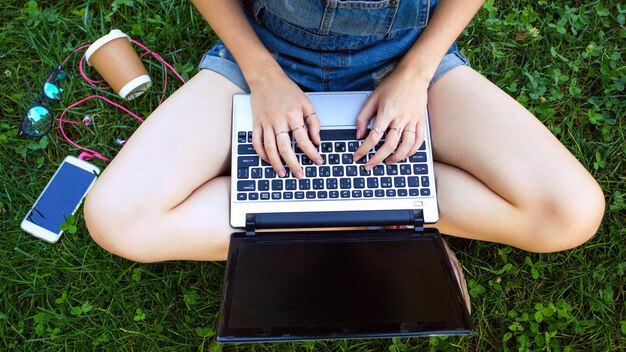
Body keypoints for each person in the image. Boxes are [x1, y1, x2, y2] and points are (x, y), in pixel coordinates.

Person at [83, 0, 605, 263]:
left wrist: (417, 74)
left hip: (404, 59)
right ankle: (384, 219)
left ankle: (382, 210)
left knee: (570, 214)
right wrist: (264, 77)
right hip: (266, 56)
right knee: (117, 220)